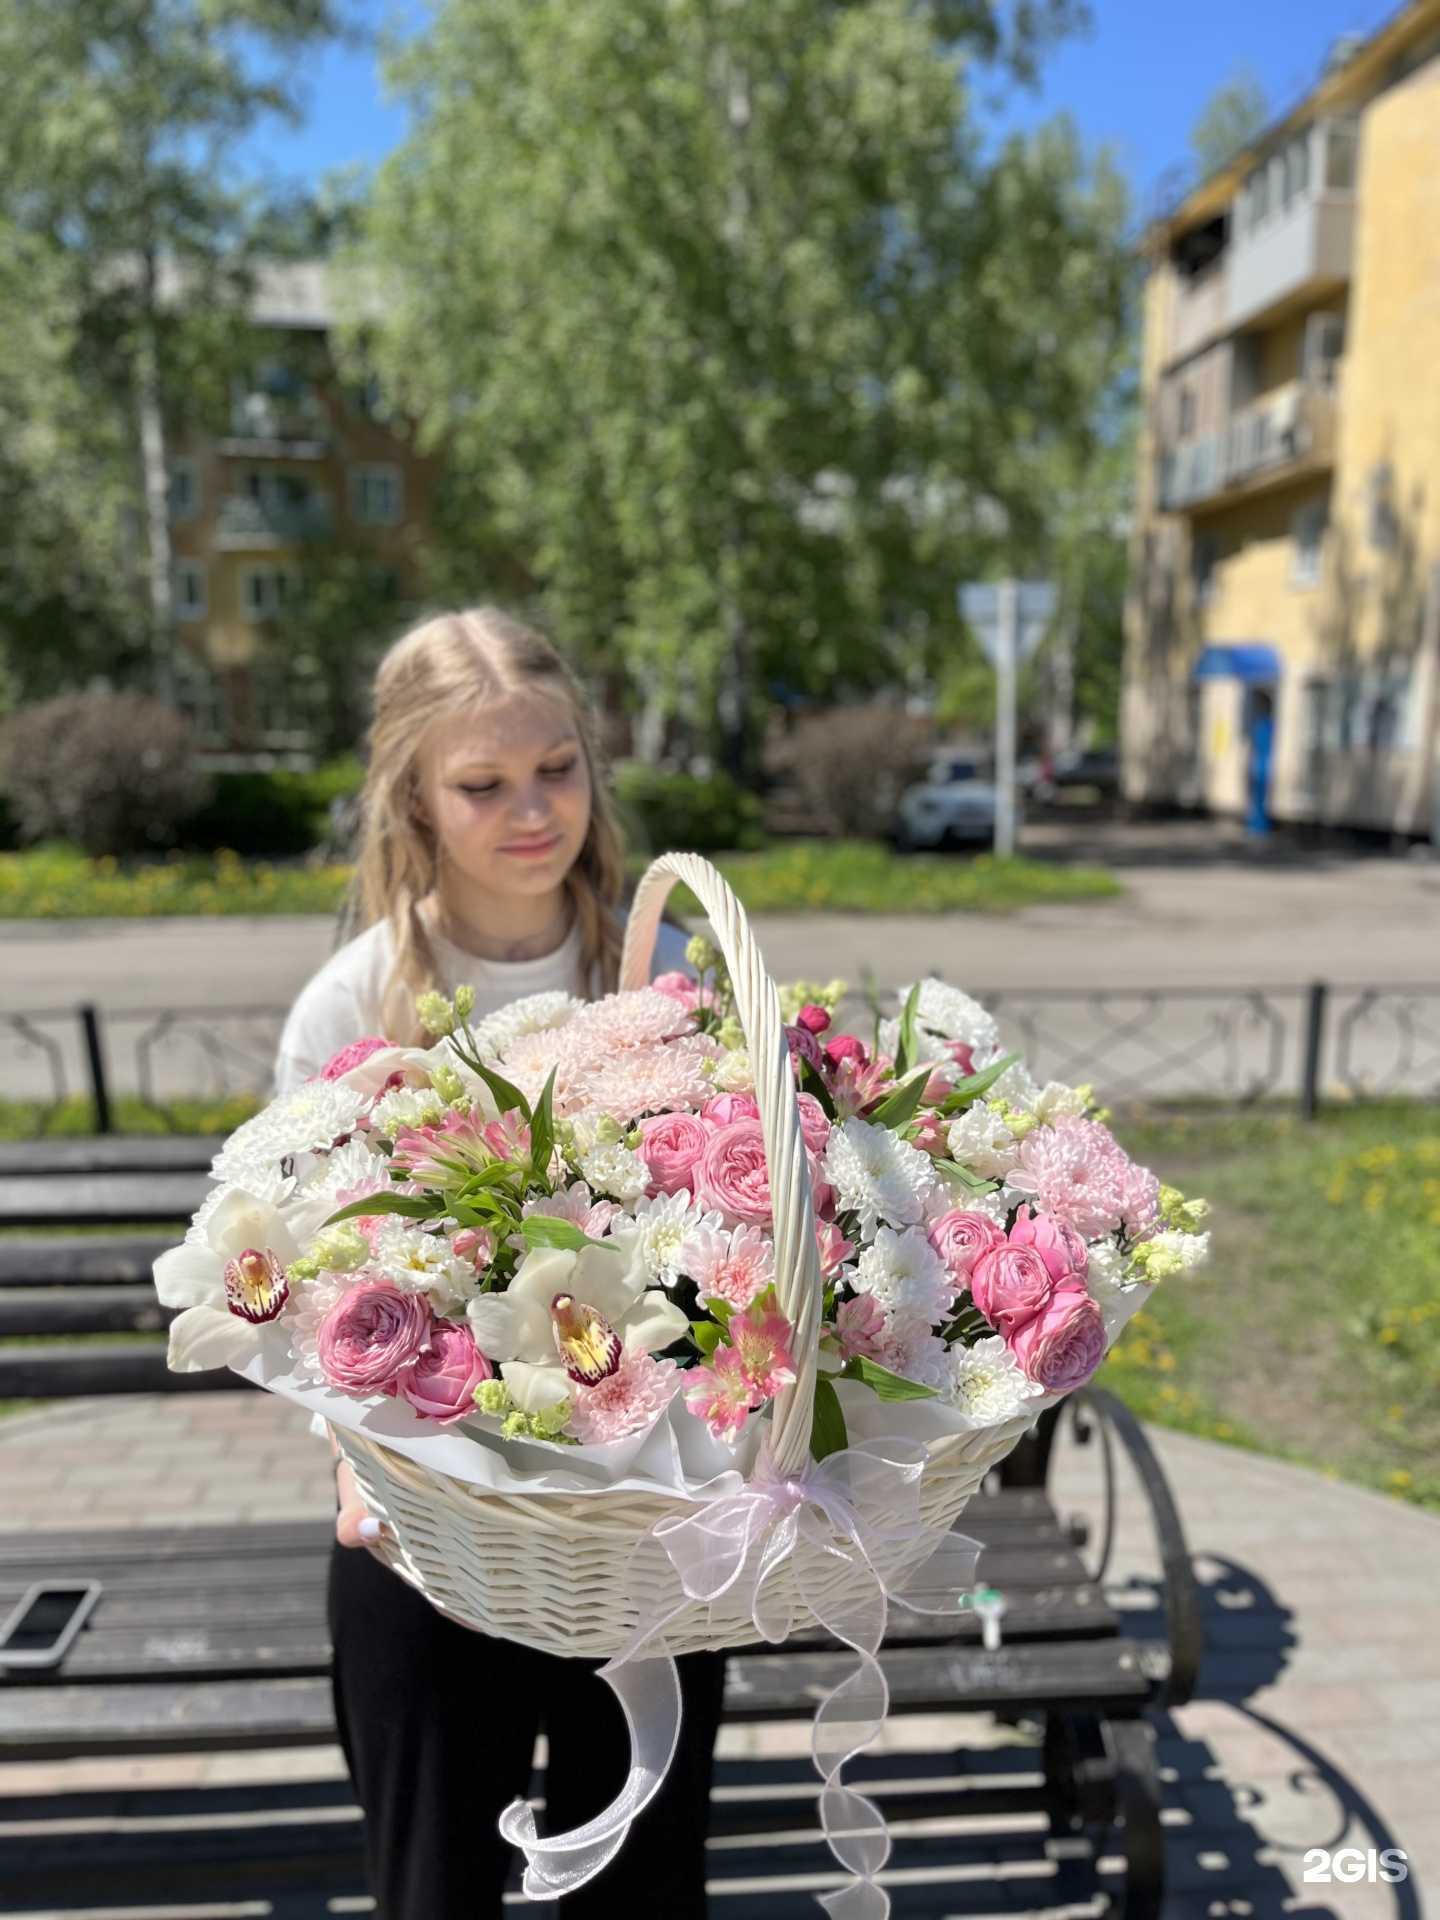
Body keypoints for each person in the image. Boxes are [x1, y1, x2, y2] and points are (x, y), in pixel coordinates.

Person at [272, 607, 725, 1918]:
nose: (533, 811)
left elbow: (725, 1244)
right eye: (482, 784)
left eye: (557, 768)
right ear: (413, 794)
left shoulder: (658, 969)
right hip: (425, 1533)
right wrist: (351, 1455)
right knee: (434, 1890)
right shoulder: (354, 1002)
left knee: (641, 1892)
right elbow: (300, 1287)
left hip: (642, 1521)